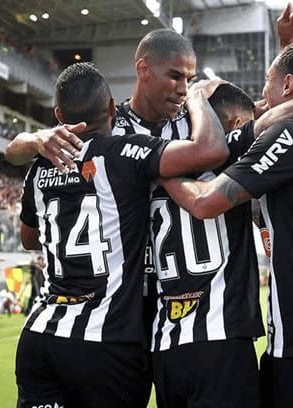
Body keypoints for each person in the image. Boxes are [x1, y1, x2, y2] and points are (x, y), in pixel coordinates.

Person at [5, 21, 293, 408]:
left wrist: (290, 50)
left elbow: (292, 106)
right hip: (149, 327)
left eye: (190, 80)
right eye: (176, 77)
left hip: (165, 332)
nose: (184, 88)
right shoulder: (190, 134)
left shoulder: (137, 138)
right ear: (143, 70)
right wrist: (34, 138)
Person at [158, 38, 293, 408]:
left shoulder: (290, 135)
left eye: (267, 81)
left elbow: (205, 202)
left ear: (288, 85)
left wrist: (160, 169)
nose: (262, 93)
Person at [15, 62, 228, 408]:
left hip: (40, 336)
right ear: (113, 109)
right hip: (105, 341)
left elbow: (29, 238)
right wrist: (197, 96)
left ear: (59, 115)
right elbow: (210, 149)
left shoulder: (37, 169)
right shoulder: (122, 154)